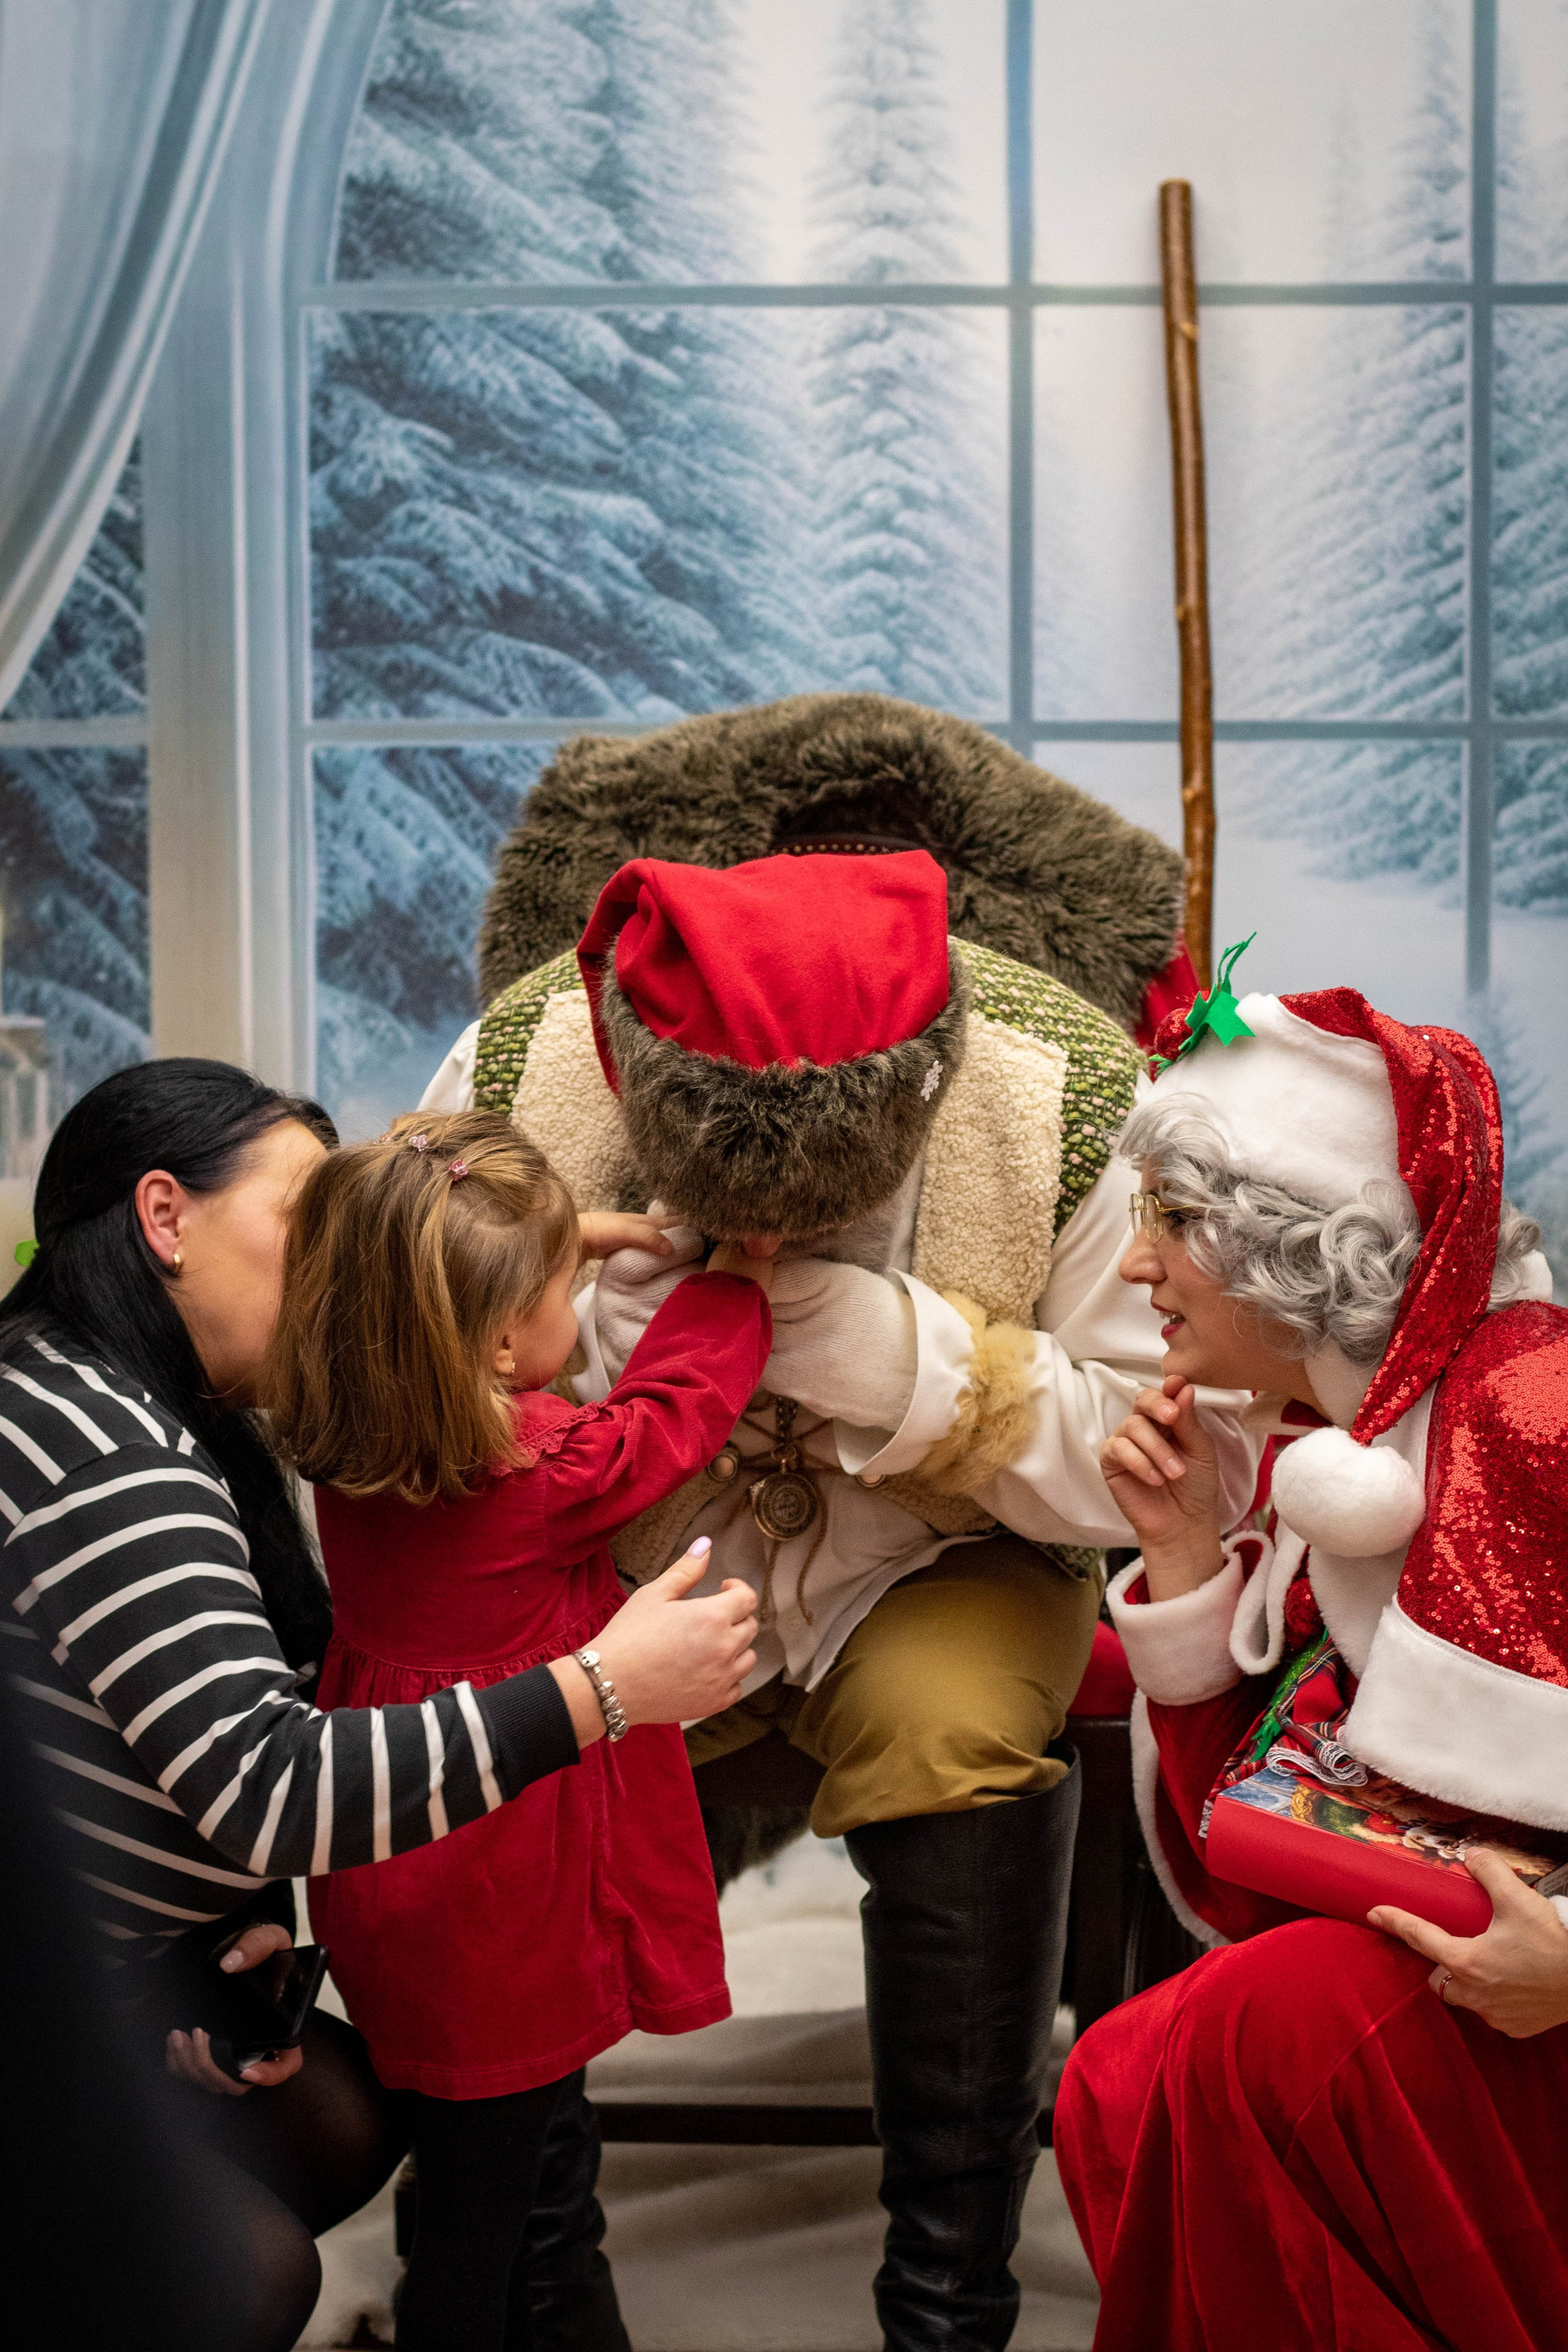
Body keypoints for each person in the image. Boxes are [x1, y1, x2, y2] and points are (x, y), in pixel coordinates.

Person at [425, 712, 1263, 2352]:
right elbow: (401, 1379)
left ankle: (945, 2299)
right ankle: (549, 2265)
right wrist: (583, 1348)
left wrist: (904, 1358)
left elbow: (1162, 1464)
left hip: (945, 1557)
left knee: (952, 1737)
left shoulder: (1073, 1091)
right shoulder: (522, 1070)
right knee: (514, 1732)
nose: (762, 1237)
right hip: (615, 1549)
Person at [1, 1060, 761, 2352]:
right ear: (165, 1217)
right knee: (258, 2275)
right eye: (315, 1223)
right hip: (69, 1981)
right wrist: (602, 1689)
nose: (346, 1267)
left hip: (149, 1953)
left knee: (381, 2131)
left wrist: (207, 1945)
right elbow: (264, 1780)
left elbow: (157, 1721)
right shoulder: (111, 1463)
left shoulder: (235, 1414)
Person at [1052, 972, 1568, 2352]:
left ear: (1295, 1247)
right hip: (1462, 1979)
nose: (1131, 1267)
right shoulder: (1340, 1462)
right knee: (1117, 2073)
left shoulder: (1536, 1418)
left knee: (1251, 2030)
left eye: (1169, 1224)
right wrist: (1177, 1560)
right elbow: (1271, 1846)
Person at [262, 1108, 772, 2352]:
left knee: (506, 2168)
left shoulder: (350, 1432)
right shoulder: (540, 1465)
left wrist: (571, 1236)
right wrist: (739, 1276)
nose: (575, 1291)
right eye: (558, 1284)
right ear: (498, 1344)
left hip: (387, 1850)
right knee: (487, 2234)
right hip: (499, 1875)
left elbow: (394, 1256)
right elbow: (673, 1410)